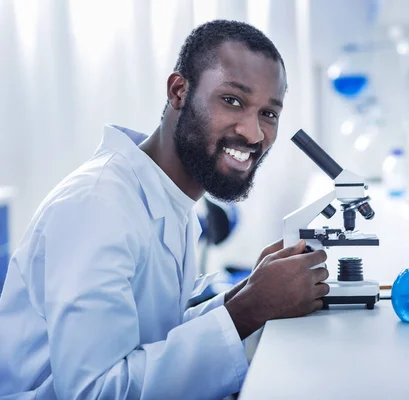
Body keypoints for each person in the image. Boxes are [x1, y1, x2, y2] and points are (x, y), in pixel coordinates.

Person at [0, 20, 329, 399]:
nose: (254, 134)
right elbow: (95, 391)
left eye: (268, 114)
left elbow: (153, 338)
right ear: (178, 91)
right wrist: (250, 309)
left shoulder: (171, 199)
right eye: (233, 101)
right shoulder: (97, 206)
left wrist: (250, 291)